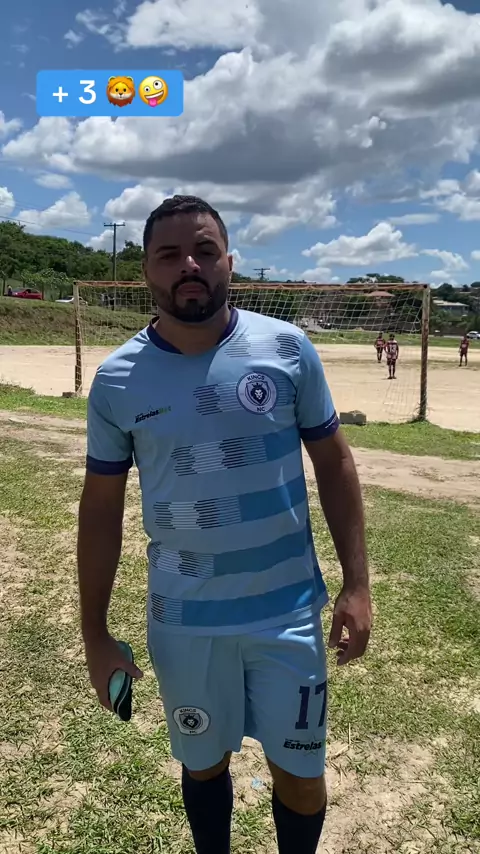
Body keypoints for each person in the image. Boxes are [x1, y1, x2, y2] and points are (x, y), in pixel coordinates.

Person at [77, 195, 372, 854]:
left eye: (204, 251)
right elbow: (99, 512)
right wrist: (95, 635)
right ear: (145, 272)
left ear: (228, 263)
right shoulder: (117, 380)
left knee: (301, 776)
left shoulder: (287, 348)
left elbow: (335, 463)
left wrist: (357, 585)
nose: (189, 265)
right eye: (170, 254)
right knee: (203, 766)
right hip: (185, 622)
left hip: (287, 615)